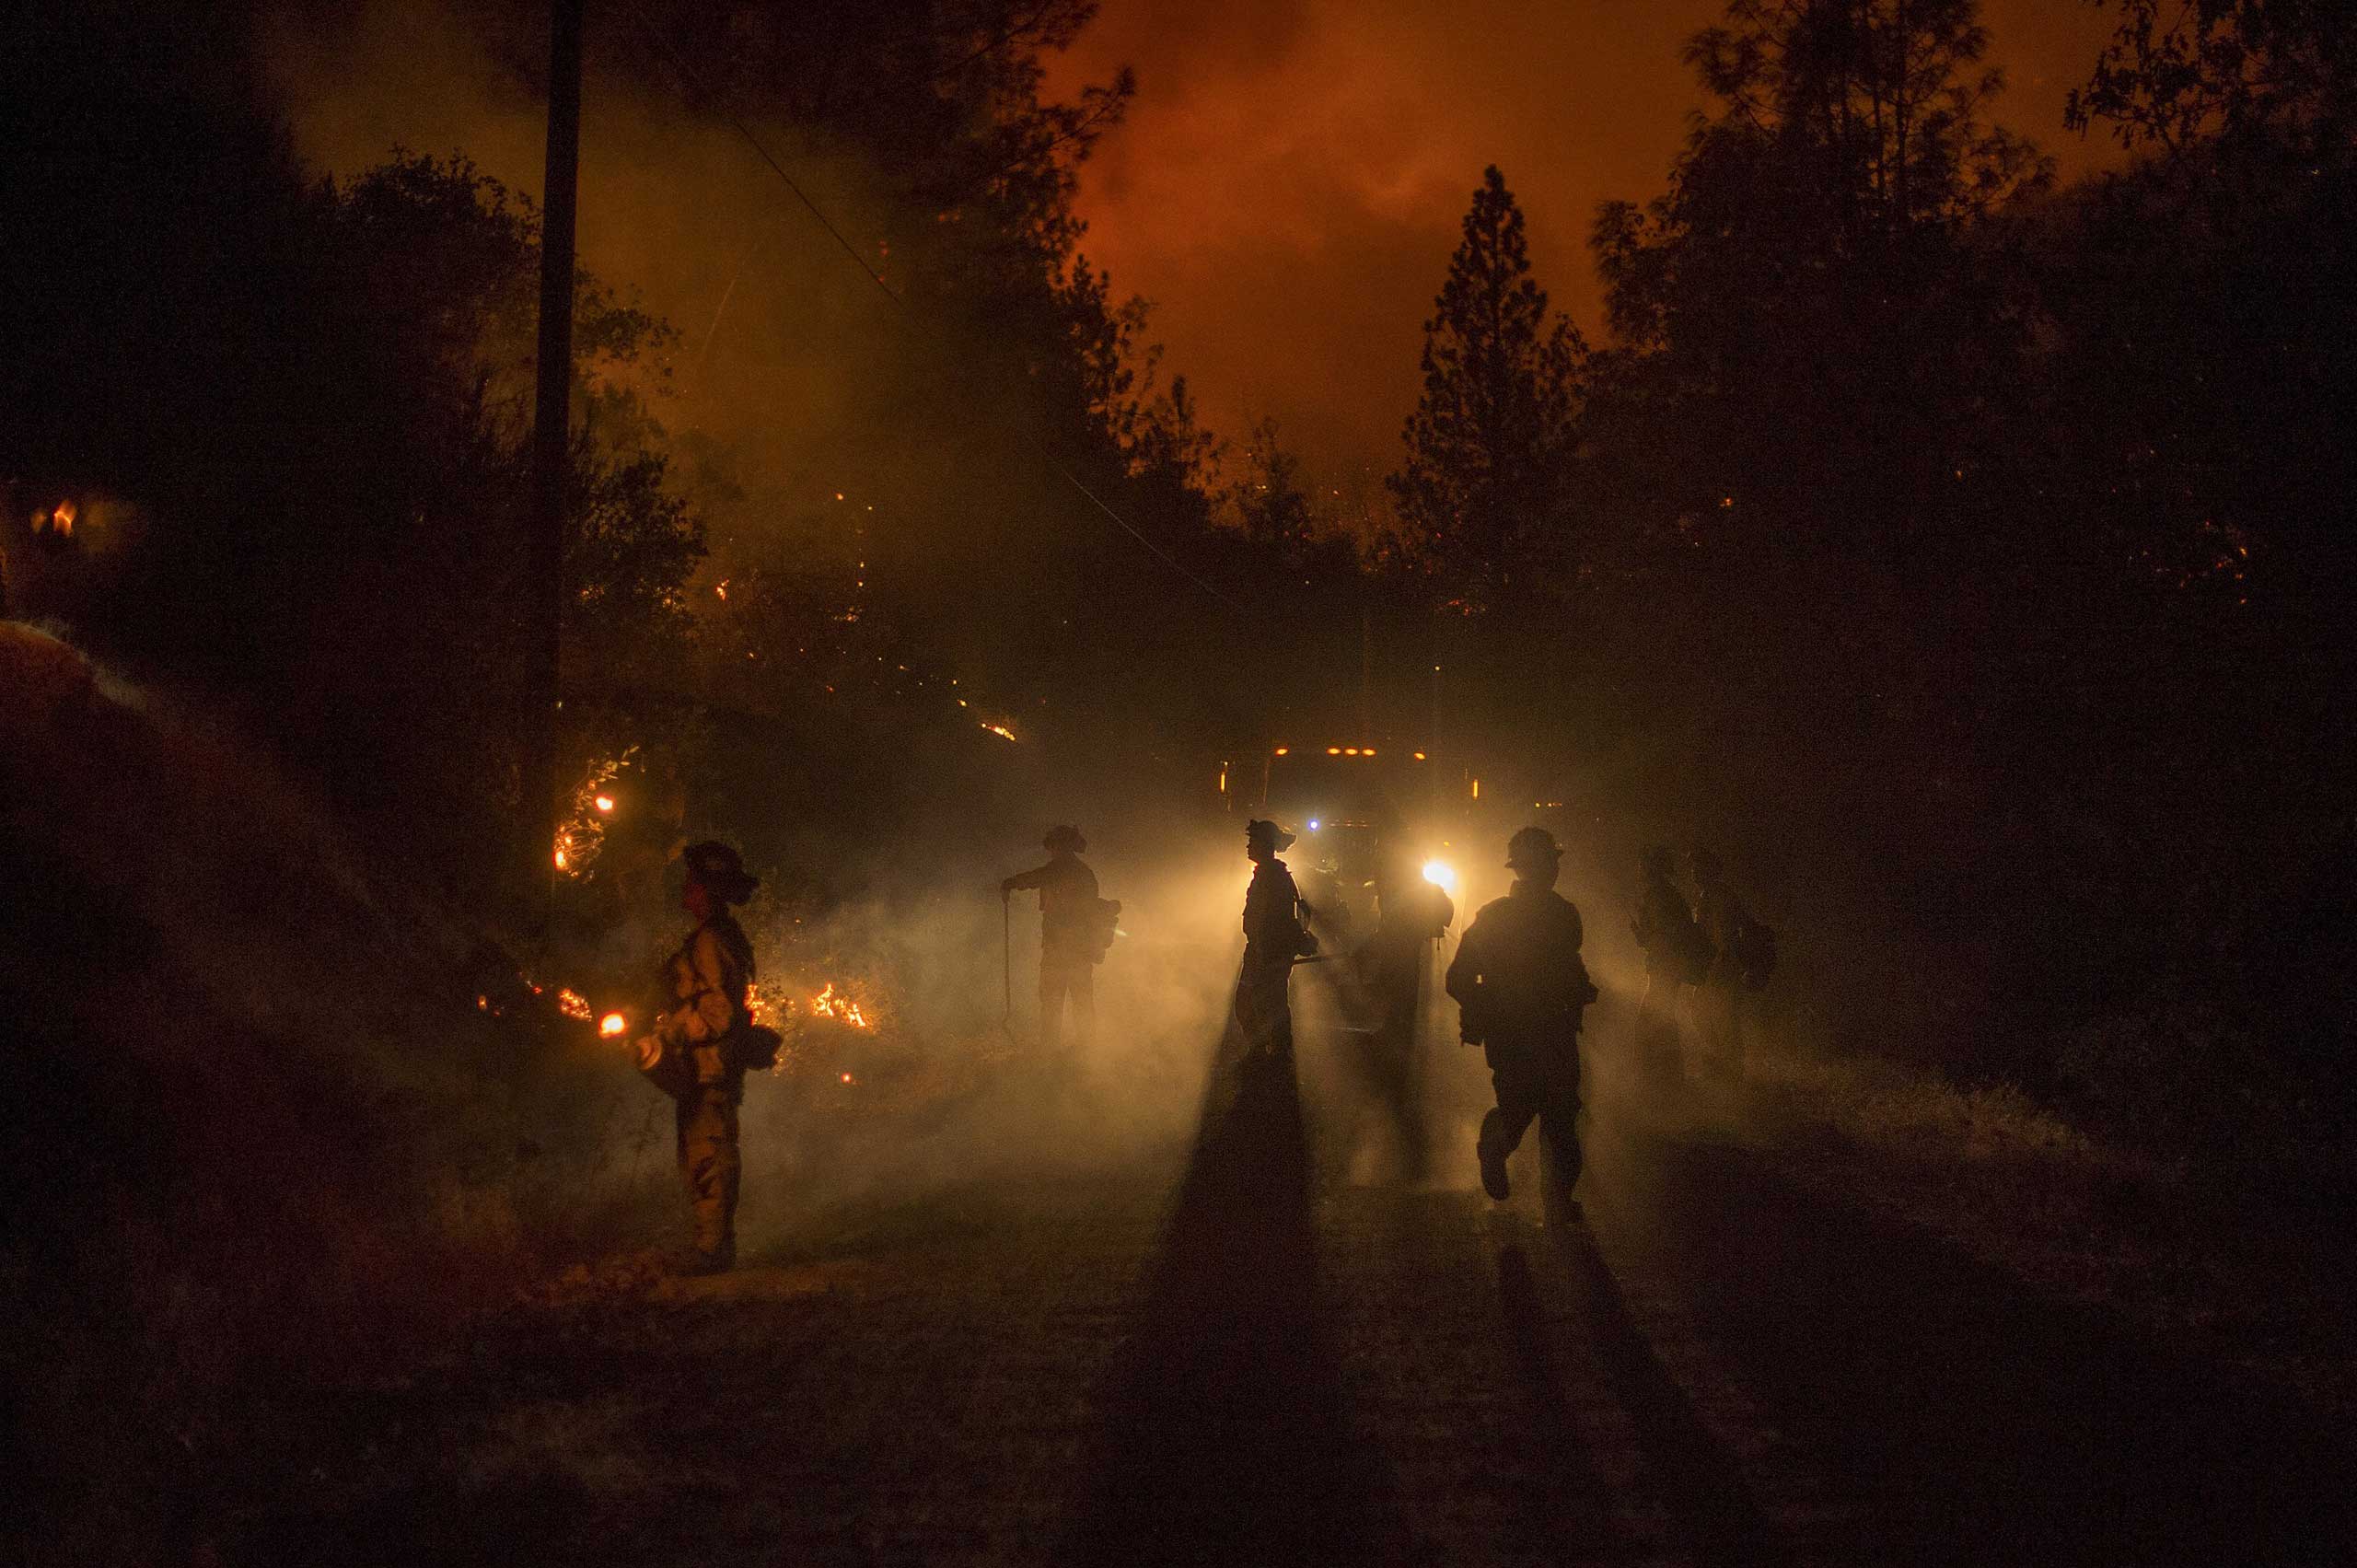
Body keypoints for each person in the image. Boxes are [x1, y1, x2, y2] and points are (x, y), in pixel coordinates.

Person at [1446, 826, 1596, 1221]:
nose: (1554, 870)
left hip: (1538, 1030)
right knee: (1526, 1110)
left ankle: (1559, 1199)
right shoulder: (1550, 915)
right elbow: (1460, 977)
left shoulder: (1550, 914)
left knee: (1558, 1115)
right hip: (1522, 1032)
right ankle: (1497, 1151)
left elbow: (1568, 966)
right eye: (1549, 862)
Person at [634, 841, 761, 1273]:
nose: (685, 890)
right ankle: (710, 1246)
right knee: (698, 1156)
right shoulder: (715, 937)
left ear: (707, 890)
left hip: (711, 1066)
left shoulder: (710, 941)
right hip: (702, 1067)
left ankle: (713, 1251)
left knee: (709, 1156)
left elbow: (718, 1011)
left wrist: (668, 1031)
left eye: (692, 883)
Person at [1360, 849, 1455, 1180]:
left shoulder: (1402, 891)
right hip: (1406, 955)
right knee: (1404, 1002)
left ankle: (1395, 1050)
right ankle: (1398, 1045)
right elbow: (1444, 915)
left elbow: (1394, 922)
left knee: (1398, 1002)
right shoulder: (1418, 889)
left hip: (1400, 955)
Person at [1002, 825, 1100, 1051]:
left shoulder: (1059, 869)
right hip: (1082, 949)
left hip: (1059, 948)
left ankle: (1049, 1050)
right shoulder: (1085, 872)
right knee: (1082, 1000)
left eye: (1053, 846)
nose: (1051, 851)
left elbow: (1035, 878)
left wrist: (1009, 883)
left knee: (1052, 999)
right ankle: (1087, 1051)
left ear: (1060, 846)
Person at [1237, 818, 1315, 1061]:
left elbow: (1278, 918)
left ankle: (1273, 1053)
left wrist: (1265, 950)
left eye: (1253, 841)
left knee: (1265, 1003)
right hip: (1264, 949)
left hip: (1268, 950)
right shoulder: (1270, 875)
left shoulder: (1274, 878)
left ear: (1265, 844)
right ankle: (1269, 1050)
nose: (1249, 847)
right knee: (1263, 1002)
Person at [1630, 844, 1704, 1086]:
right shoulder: (1667, 895)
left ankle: (1661, 1082)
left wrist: (1644, 937)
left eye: (1642, 865)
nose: (1638, 870)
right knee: (1660, 1020)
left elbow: (1665, 938)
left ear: (1651, 868)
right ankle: (1666, 1079)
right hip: (1668, 968)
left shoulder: (1659, 897)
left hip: (1665, 969)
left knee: (1654, 1022)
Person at [1689, 847, 1751, 1080]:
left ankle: (1732, 1071)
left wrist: (1719, 959)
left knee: (1724, 1019)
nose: (1693, 872)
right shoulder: (1710, 895)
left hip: (1722, 966)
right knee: (1704, 1013)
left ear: (1708, 870)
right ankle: (1724, 1064)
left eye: (1697, 867)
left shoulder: (1719, 896)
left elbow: (1721, 934)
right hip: (1715, 965)